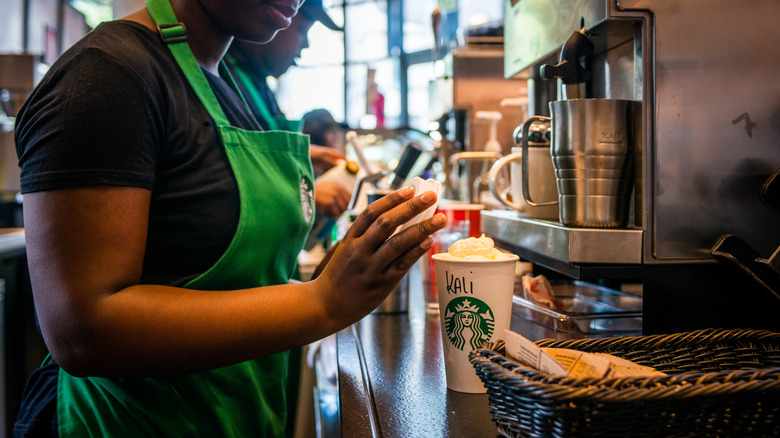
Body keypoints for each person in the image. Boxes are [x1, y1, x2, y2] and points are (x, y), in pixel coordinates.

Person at [12, 0, 445, 436]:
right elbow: (84, 330)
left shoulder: (222, 81)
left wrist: (328, 280)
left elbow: (209, 280)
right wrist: (321, 302)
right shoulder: (107, 75)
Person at [223, 0, 351, 227]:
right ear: (274, 16)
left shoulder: (259, 84)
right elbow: (228, 176)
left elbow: (261, 149)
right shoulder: (225, 81)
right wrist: (302, 195)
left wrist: (311, 153)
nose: (306, 46)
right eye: (302, 31)